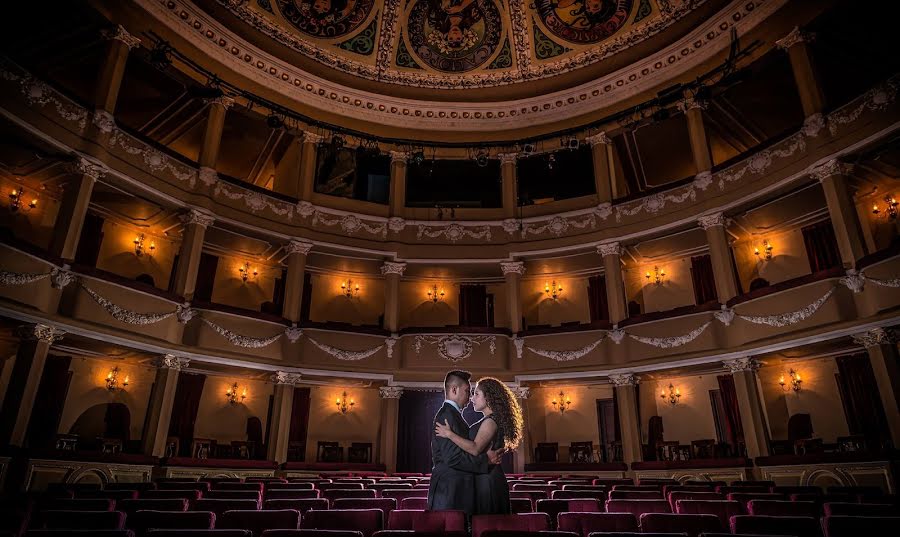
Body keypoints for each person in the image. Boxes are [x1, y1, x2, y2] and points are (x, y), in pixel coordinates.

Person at [435, 376, 523, 514]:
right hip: (484, 476)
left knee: (488, 523)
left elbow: (475, 448)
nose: (472, 398)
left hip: (487, 479)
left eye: (476, 394)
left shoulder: (490, 421)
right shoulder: (490, 420)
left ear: (488, 398)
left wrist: (449, 434)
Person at [427, 370, 502, 516]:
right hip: (450, 492)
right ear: (454, 390)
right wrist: (486, 461)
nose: (470, 397)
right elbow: (452, 457)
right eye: (467, 391)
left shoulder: (452, 415)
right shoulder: (446, 415)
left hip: (457, 490)